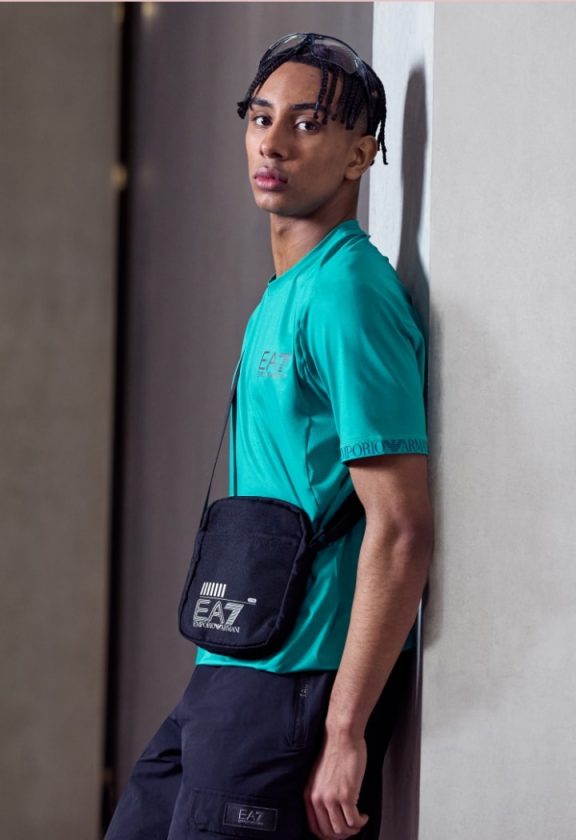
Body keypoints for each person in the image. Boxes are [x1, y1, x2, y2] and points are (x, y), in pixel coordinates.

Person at [105, 32, 433, 840]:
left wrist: (345, 730)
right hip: (234, 662)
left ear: (360, 155)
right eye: (260, 117)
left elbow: (400, 527)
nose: (273, 142)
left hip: (296, 681)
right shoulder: (286, 291)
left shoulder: (349, 293)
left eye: (307, 123)